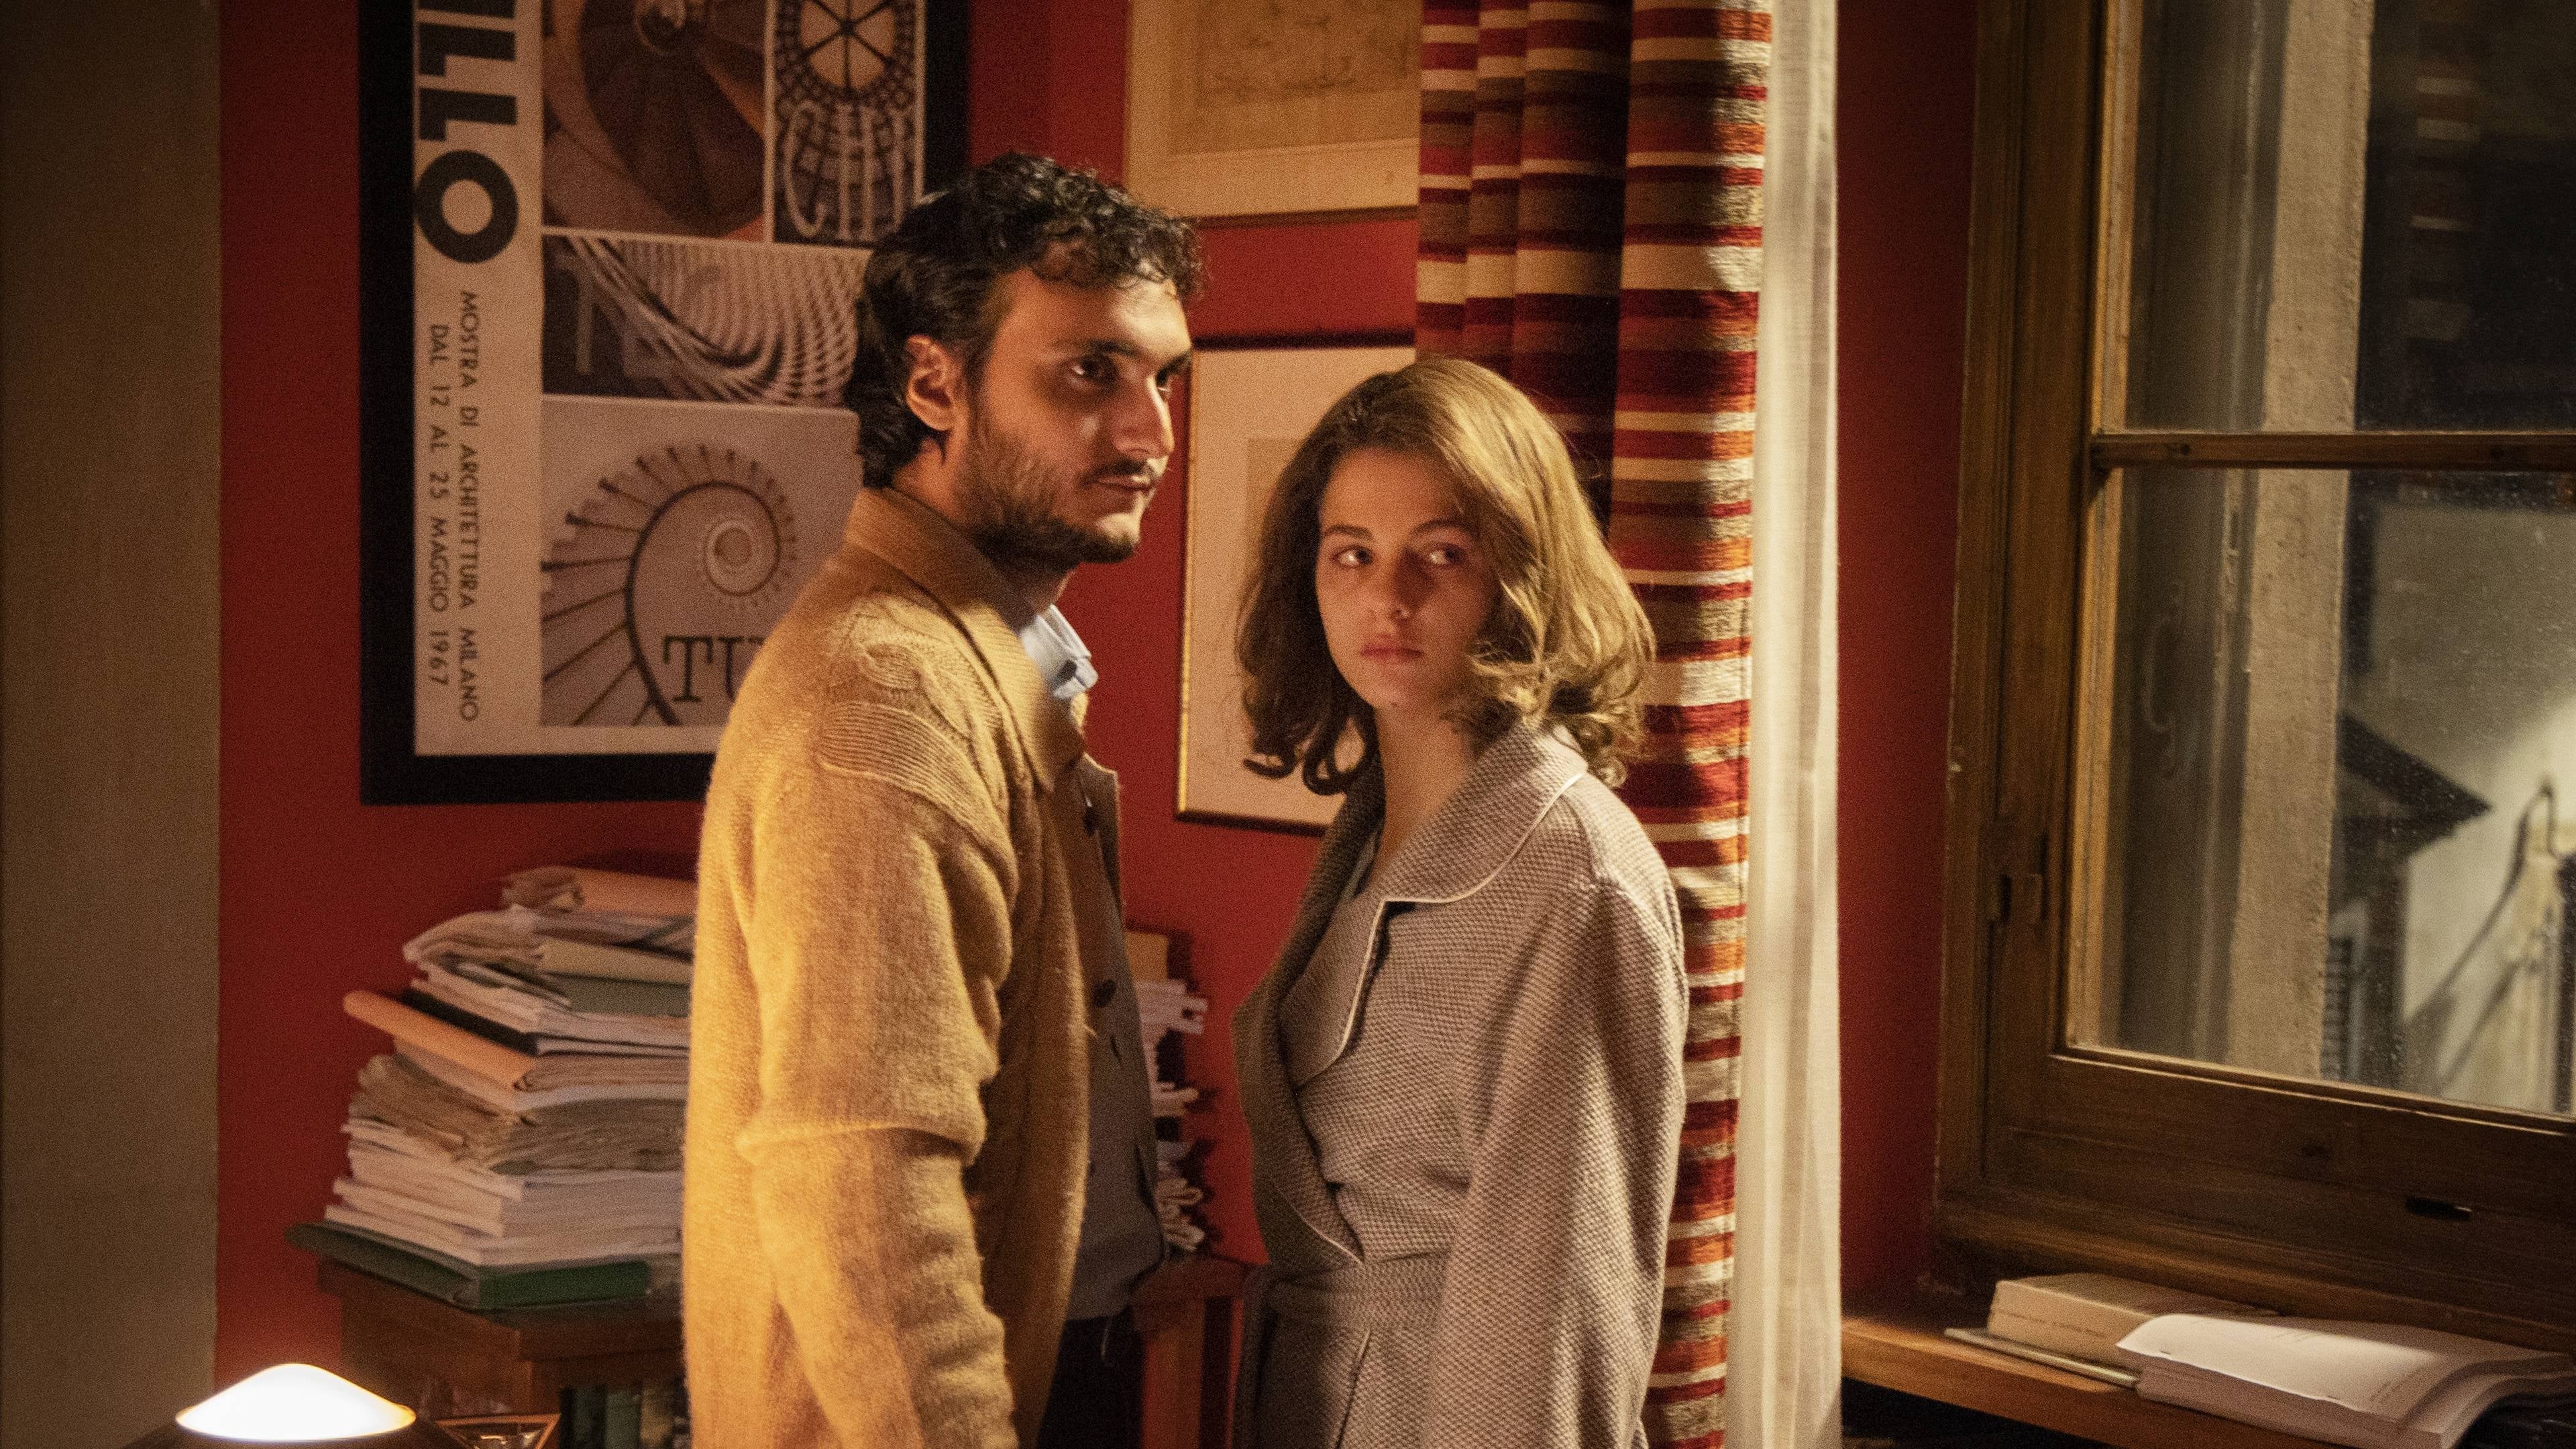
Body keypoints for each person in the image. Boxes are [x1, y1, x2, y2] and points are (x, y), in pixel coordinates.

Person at [684, 153, 1201, 1449]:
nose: (1150, 434)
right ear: (934, 385)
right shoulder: (890, 692)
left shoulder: (979, 661)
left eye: (1165, 378)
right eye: (1090, 371)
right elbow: (867, 1193)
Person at [1229, 357, 1688, 1449]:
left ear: (1518, 573)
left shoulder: (1573, 880)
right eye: (1352, 554)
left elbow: (1557, 1318)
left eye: (1442, 553)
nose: (1389, 598)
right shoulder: (1374, 834)